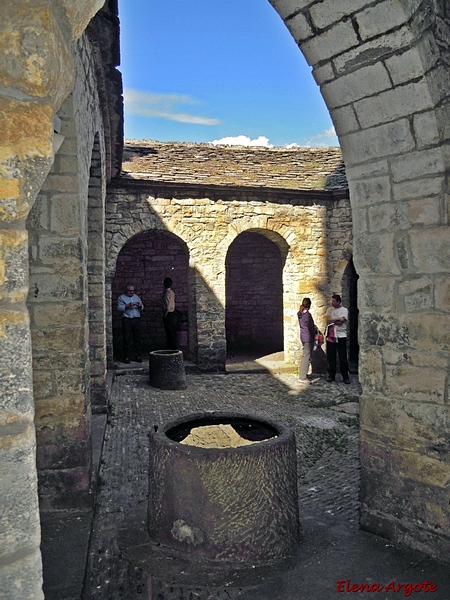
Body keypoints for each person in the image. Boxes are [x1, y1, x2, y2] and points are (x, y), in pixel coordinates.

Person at [325, 293, 350, 384]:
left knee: (342, 357)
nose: (332, 303)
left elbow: (341, 322)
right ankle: (331, 375)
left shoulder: (344, 310)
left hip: (341, 335)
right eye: (331, 301)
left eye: (334, 301)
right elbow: (327, 321)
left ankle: (345, 376)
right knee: (331, 356)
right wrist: (338, 318)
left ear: (339, 302)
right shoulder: (329, 310)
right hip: (331, 335)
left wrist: (334, 320)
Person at [117, 283, 144, 363]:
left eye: (133, 291)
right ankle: (127, 356)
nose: (131, 292)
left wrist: (140, 306)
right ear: (126, 290)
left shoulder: (136, 297)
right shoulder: (121, 298)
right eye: (130, 291)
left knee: (137, 338)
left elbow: (142, 307)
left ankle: (137, 355)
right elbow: (119, 308)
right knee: (127, 339)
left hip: (136, 319)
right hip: (127, 319)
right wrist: (127, 305)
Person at [297, 297, 317, 384]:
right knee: (306, 356)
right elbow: (310, 327)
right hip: (308, 337)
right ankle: (302, 377)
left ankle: (303, 373)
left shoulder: (300, 313)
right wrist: (315, 330)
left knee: (306, 355)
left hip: (302, 336)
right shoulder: (307, 315)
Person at [162, 277, 177, 350]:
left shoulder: (167, 293)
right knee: (172, 330)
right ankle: (173, 347)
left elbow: (167, 304)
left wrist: (165, 314)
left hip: (168, 313)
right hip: (172, 312)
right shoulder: (172, 292)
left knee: (169, 331)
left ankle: (171, 347)